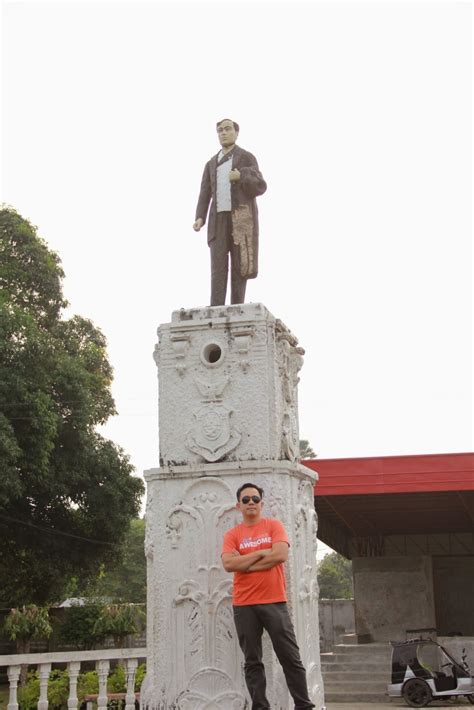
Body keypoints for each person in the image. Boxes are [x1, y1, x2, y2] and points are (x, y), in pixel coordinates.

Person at [222, 482, 315, 710]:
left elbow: (280, 555)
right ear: (238, 505)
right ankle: (260, 707)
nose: (251, 502)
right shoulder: (233, 534)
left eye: (255, 499)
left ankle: (304, 706)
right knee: (252, 661)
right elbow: (228, 564)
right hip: (244, 605)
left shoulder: (274, 525)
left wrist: (246, 562)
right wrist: (264, 552)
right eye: (246, 500)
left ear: (261, 503)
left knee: (290, 658)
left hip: (275, 601)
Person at [193, 119, 267, 306]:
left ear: (236, 132)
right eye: (219, 130)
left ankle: (237, 306)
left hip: (240, 218)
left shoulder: (246, 157)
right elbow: (205, 191)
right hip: (218, 219)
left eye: (227, 129)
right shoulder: (211, 163)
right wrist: (200, 217)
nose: (223, 133)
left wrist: (242, 176)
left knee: (239, 265)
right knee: (218, 265)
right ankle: (216, 306)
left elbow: (260, 185)